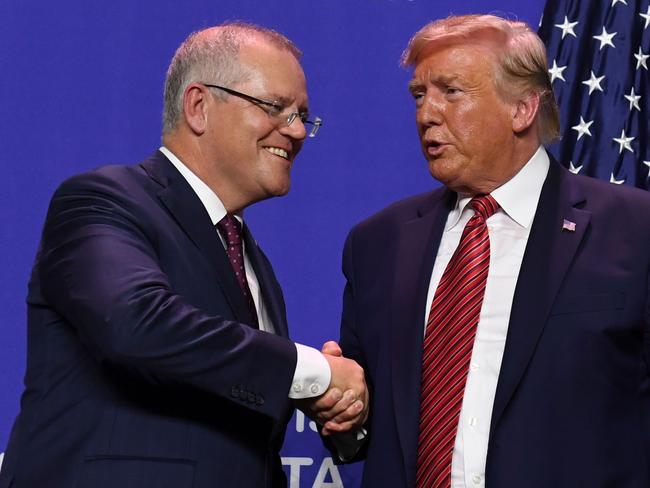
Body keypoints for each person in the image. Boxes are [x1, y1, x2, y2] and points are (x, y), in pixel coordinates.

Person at [0, 22, 367, 488]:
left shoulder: (252, 260)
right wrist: (314, 372)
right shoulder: (103, 199)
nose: (295, 132)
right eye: (276, 108)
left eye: (302, 115)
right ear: (198, 106)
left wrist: (333, 405)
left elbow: (238, 396)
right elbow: (136, 324)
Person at [326, 14, 650, 488]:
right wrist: (346, 410)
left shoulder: (635, 230)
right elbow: (360, 432)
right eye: (419, 95)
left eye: (451, 92)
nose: (426, 114)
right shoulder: (378, 242)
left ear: (522, 109)